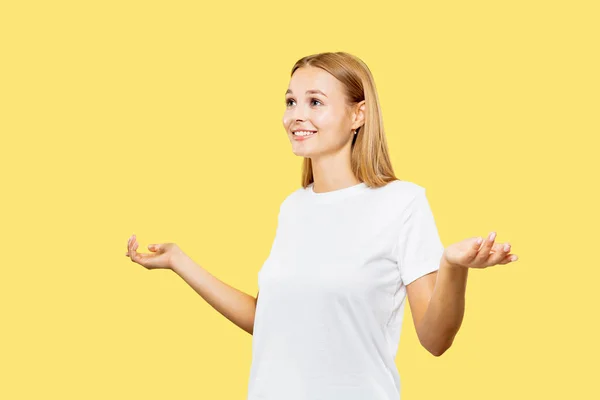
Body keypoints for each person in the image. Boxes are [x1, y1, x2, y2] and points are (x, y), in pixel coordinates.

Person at [125, 51, 519, 400]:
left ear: (358, 114)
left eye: (315, 102)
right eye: (291, 101)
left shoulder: (403, 203)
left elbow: (435, 341)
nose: (297, 115)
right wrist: (179, 261)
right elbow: (271, 321)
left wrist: (452, 267)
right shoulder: (293, 208)